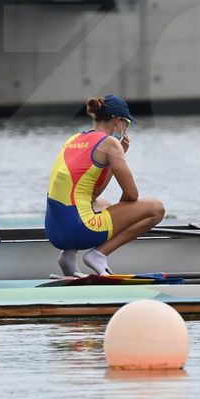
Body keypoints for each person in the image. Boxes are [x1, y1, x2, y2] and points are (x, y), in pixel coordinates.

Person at [45, 94, 165, 276]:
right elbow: (131, 195)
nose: (126, 129)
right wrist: (120, 154)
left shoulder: (74, 139)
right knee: (157, 208)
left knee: (103, 203)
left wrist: (113, 162)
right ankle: (98, 255)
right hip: (79, 230)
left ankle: (67, 256)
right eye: (127, 123)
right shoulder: (110, 144)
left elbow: (91, 195)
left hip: (54, 232)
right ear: (117, 121)